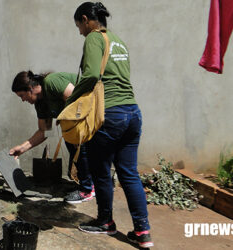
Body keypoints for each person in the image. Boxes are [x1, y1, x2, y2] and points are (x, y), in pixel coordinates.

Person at [71, 2, 153, 248]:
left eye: (79, 26)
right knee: (129, 174)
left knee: (101, 171)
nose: (80, 32)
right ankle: (142, 232)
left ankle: (106, 222)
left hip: (111, 114)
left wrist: (73, 101)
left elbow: (92, 75)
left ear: (86, 20)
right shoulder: (119, 41)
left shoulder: (94, 39)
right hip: (133, 113)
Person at [9, 71, 95, 204]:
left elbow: (78, 100)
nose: (23, 100)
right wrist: (22, 148)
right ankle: (88, 184)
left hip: (94, 111)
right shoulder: (41, 104)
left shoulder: (51, 82)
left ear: (30, 88)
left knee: (77, 145)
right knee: (71, 143)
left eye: (22, 95)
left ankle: (88, 189)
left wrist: (75, 129)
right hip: (75, 124)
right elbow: (44, 131)